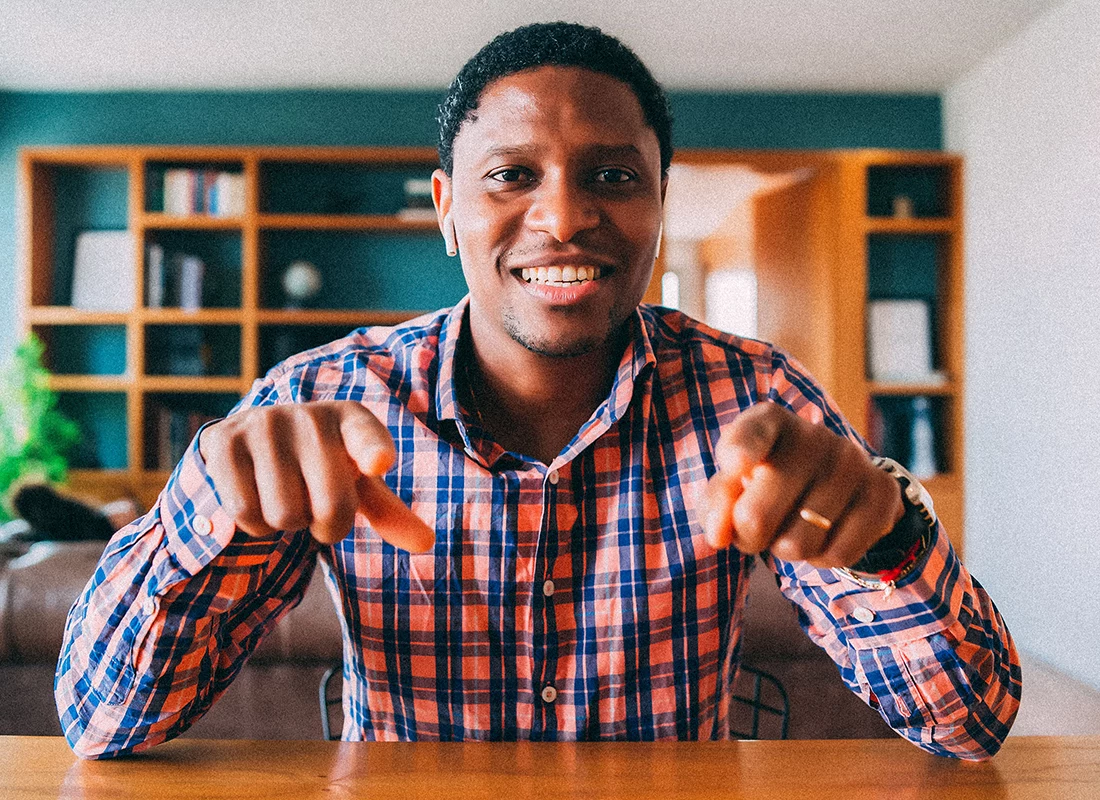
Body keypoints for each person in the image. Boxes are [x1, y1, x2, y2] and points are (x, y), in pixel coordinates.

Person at [56, 22, 1020, 759]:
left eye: (612, 174)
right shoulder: (323, 398)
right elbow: (101, 724)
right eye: (512, 174)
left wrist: (889, 533)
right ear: (446, 209)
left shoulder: (755, 401)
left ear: (657, 203)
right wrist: (212, 511)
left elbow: (970, 725)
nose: (564, 215)